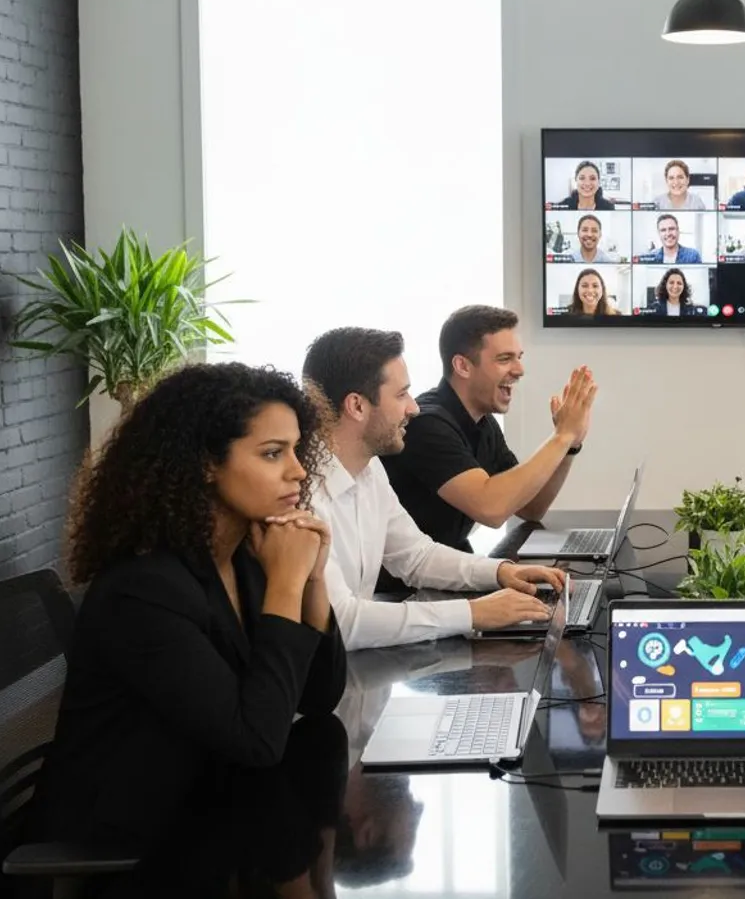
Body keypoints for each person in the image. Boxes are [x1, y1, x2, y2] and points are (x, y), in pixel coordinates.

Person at [33, 363, 347, 853]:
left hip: (206, 796)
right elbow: (257, 741)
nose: (299, 470)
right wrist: (285, 581)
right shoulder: (143, 591)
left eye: (294, 449)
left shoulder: (246, 555)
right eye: (271, 453)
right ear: (206, 463)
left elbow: (319, 697)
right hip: (133, 839)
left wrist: (312, 579)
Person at [301, 327, 567, 650]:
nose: (413, 407)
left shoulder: (369, 470)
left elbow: (416, 557)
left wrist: (499, 572)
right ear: (357, 406)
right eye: (401, 395)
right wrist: (471, 613)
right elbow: (342, 622)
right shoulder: (301, 494)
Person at [383, 306, 597, 551]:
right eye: (505, 359)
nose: (519, 370)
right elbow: (492, 509)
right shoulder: (426, 422)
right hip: (407, 584)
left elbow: (530, 507)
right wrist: (562, 436)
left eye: (519, 357)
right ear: (462, 366)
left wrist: (571, 445)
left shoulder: (484, 423)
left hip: (452, 569)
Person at [638, 213, 703, 264]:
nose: (668, 234)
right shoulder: (650, 257)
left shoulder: (693, 255)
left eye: (671, 229)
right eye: (663, 230)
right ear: (658, 233)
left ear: (678, 231)